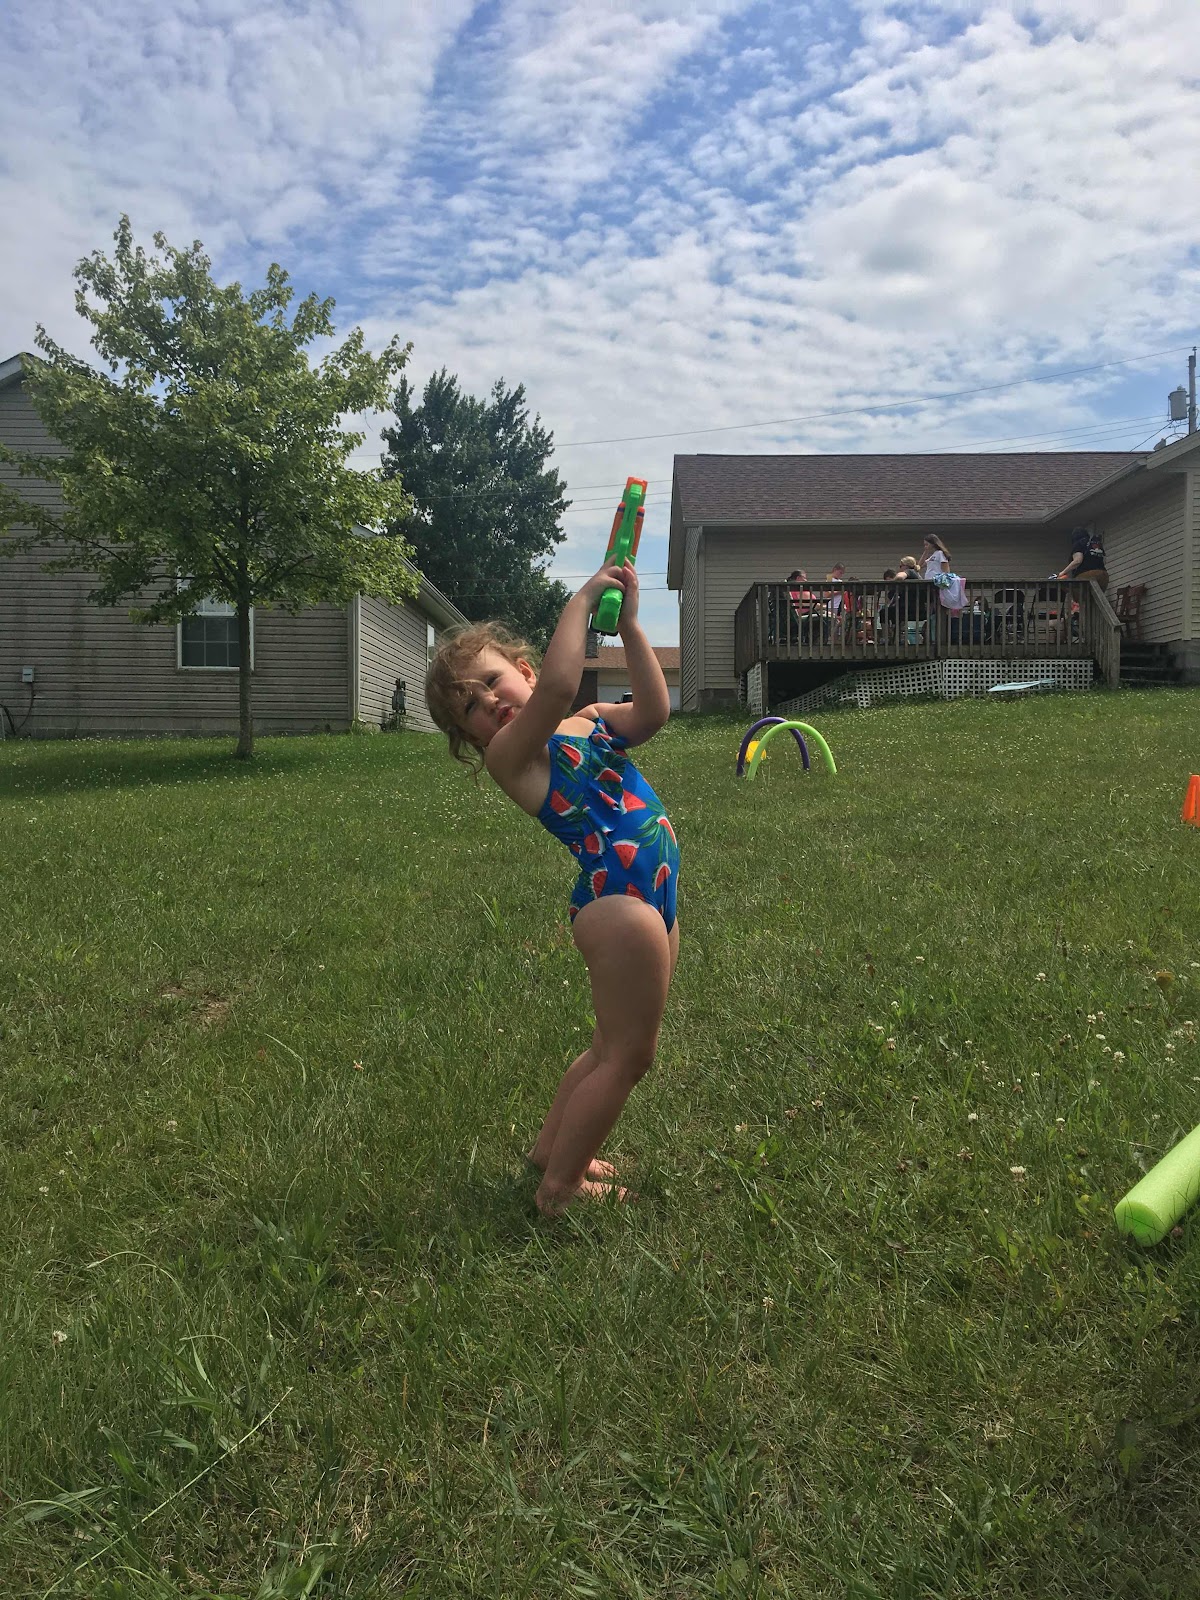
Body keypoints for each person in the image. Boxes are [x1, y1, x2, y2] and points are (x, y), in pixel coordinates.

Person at [424, 559, 679, 1218]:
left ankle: (548, 1153)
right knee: (629, 1057)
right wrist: (583, 598)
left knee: (607, 1046)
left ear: (522, 668)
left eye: (490, 683)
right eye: (471, 710)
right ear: (472, 739)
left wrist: (630, 628)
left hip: (653, 891)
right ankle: (559, 1190)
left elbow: (654, 712)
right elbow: (561, 682)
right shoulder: (514, 757)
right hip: (618, 905)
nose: (488, 704)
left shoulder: (590, 720)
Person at [1057, 525, 1109, 591]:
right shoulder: (1096, 544)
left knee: (1075, 592)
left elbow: (1078, 561)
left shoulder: (1079, 543)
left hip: (1087, 575)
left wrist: (1063, 572)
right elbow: (1104, 560)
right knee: (1096, 595)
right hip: (1103, 575)